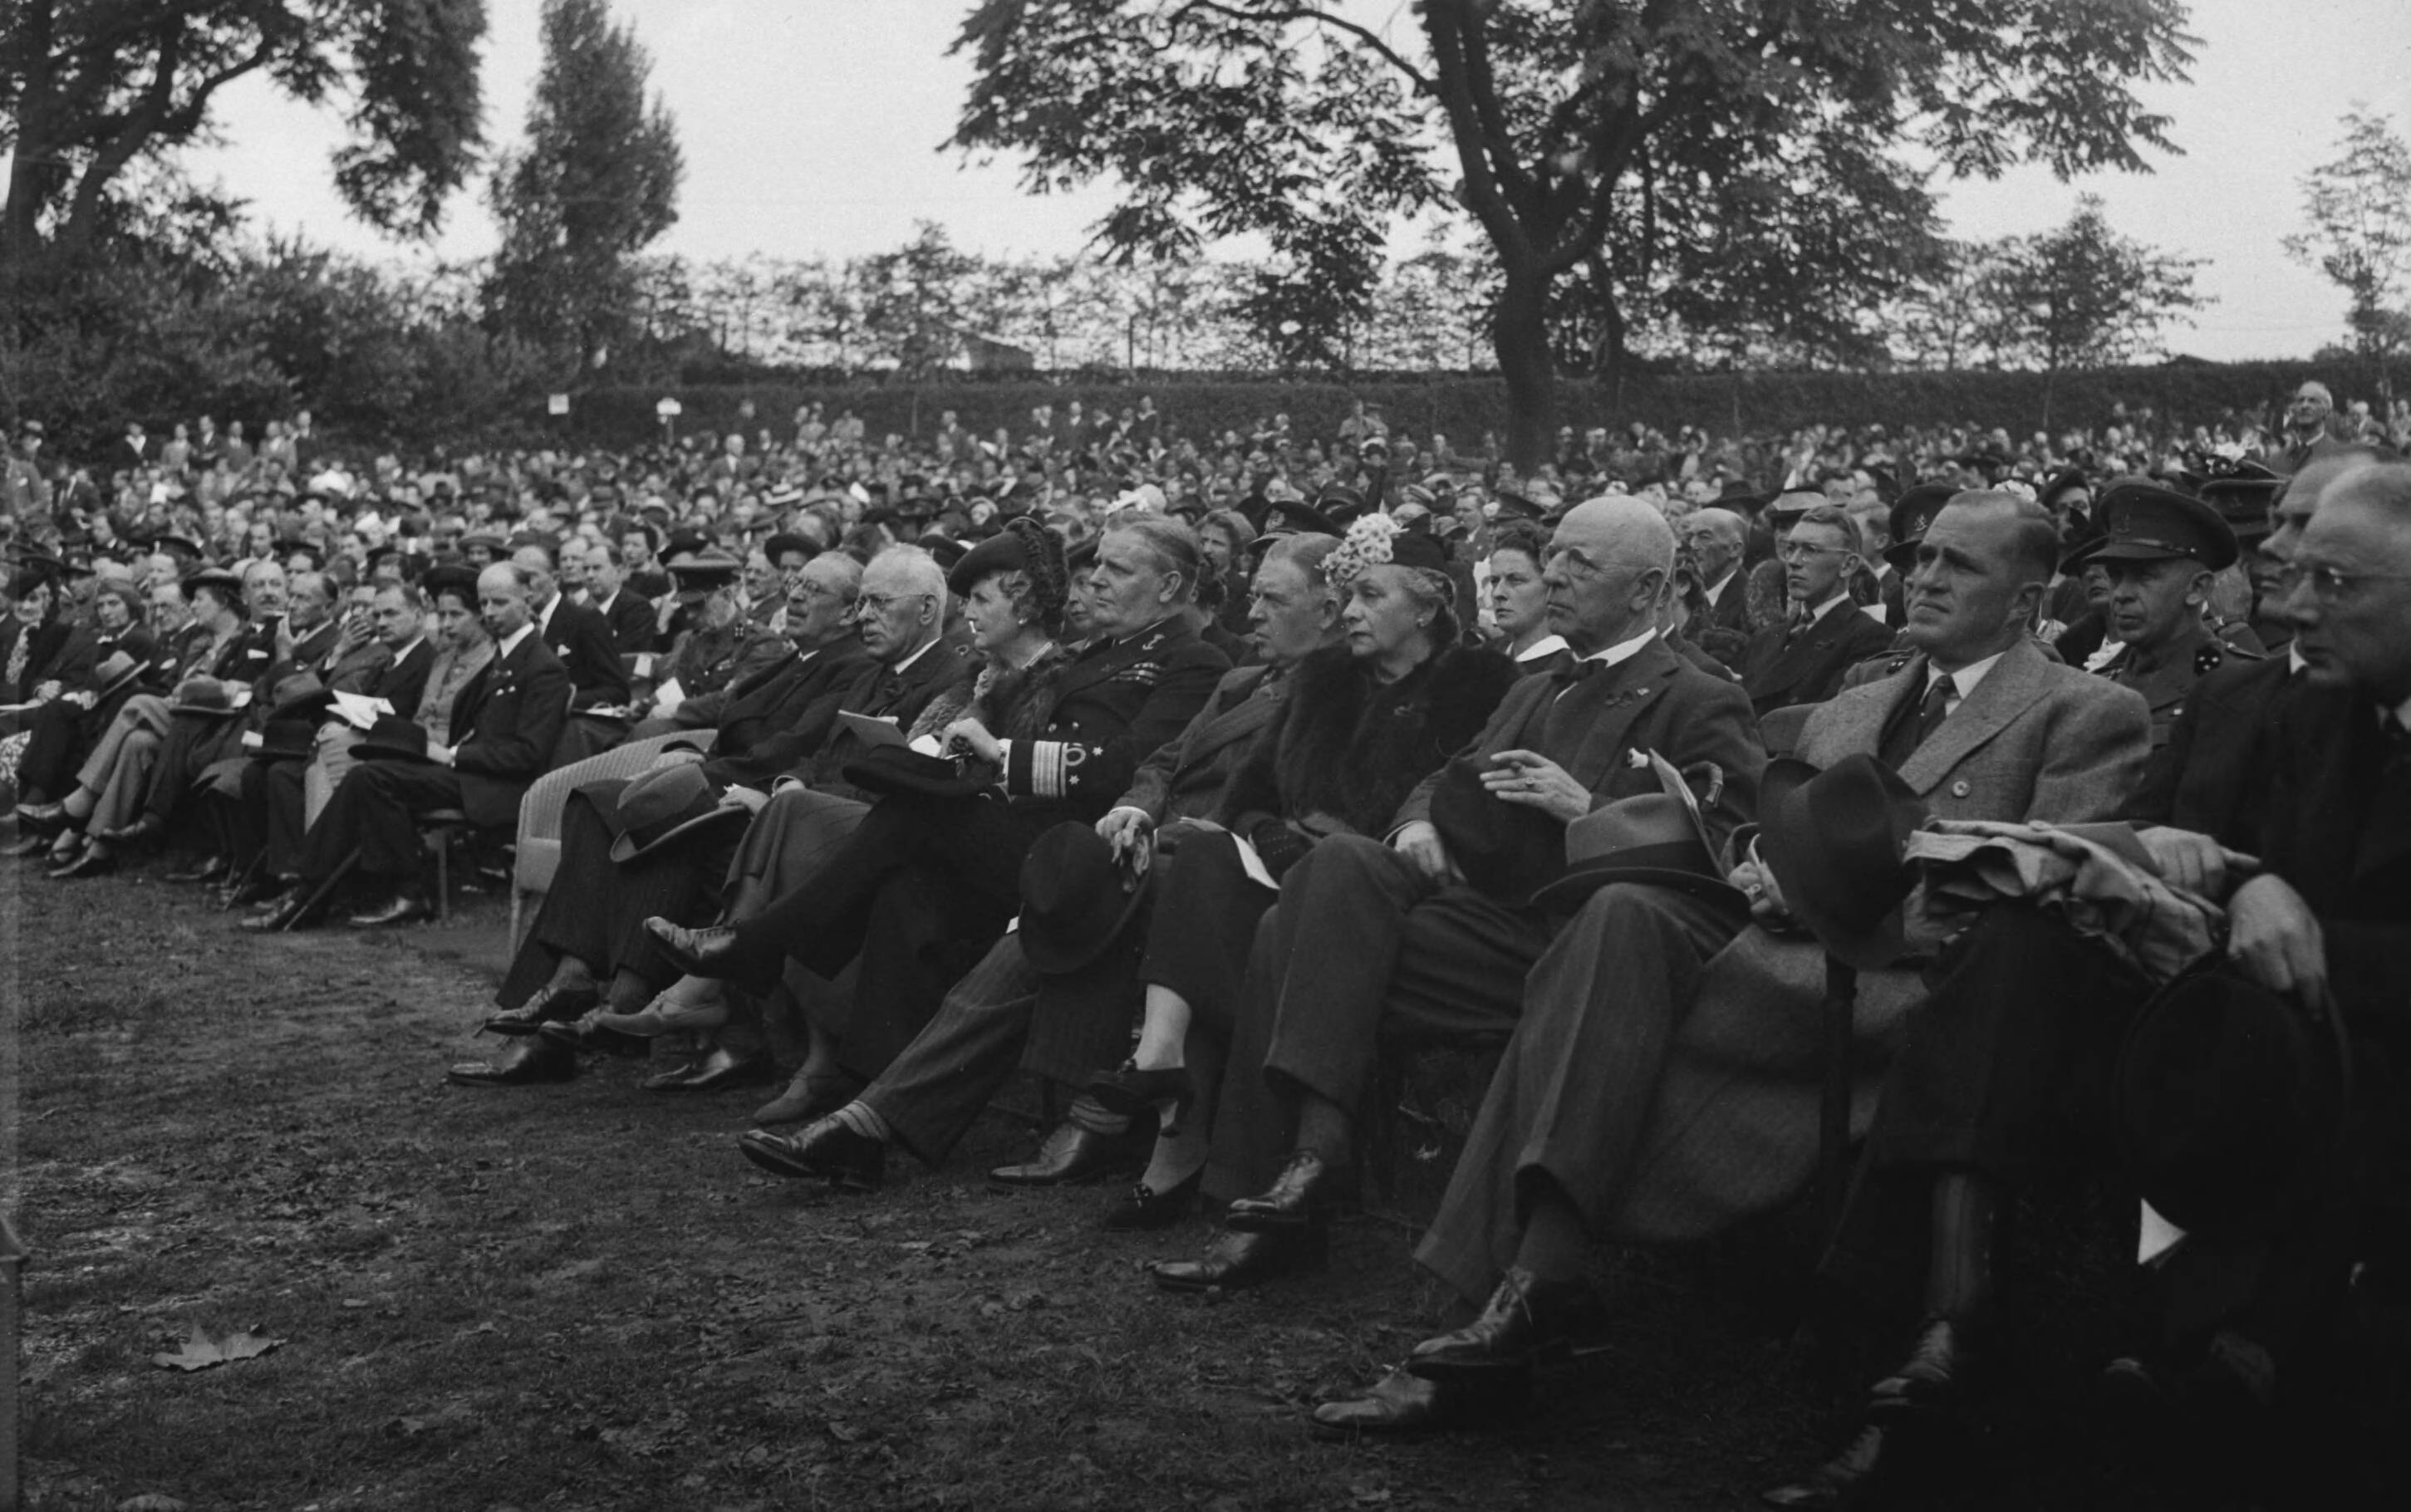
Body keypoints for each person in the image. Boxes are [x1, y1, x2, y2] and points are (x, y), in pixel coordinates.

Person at [1313, 488, 2153, 1436]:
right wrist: (1753, 864)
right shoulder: (1855, 707)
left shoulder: (2086, 710)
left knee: (1591, 969)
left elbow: (2047, 885)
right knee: (1619, 912)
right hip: (1775, 952)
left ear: (2028, 600)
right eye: (1921, 557)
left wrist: (1826, 892)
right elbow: (1764, 833)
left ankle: (1517, 1293)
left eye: (1958, 564)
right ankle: (1528, 1289)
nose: (1924, 578)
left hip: (1906, 988)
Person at [1760, 463, 2411, 1509]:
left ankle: (2158, 1358)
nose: (2292, 594)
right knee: (2020, 935)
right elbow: (2162, 838)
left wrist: (2259, 898)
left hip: (2326, 1029)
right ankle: (1949, 1328)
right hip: (2211, 1000)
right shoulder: (2307, 704)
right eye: (2291, 558)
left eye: (2332, 578)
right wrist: (2239, 880)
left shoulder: (2300, 696)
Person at [1148, 495, 1765, 1294]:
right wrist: (1415, 823)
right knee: (1335, 871)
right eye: (1555, 554)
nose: (1553, 574)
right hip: (1481, 925)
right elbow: (1447, 774)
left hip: (1582, 941)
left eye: (1579, 563)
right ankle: (1313, 1157)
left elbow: (1733, 844)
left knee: (1287, 933)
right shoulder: (1535, 689)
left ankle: (1282, 1191)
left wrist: (1589, 809)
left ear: (1647, 589)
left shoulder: (1699, 694)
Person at [728, 533, 1345, 1176]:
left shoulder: (1238, 669)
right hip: (1113, 843)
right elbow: (1161, 764)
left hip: (1186, 863)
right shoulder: (1237, 679)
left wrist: (1037, 772)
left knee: (948, 845)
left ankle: (781, 973)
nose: (1094, 580)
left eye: (1272, 600)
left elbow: (1258, 795)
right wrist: (1134, 810)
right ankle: (865, 1111)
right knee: (915, 886)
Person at [643, 517, 1229, 1106]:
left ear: (1170, 587)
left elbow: (1126, 765)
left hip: (1081, 851)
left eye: (1116, 569)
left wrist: (1001, 755)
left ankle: (759, 946)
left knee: (913, 817)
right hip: (1025, 832)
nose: (1095, 579)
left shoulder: (1193, 660)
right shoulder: (1097, 651)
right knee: (908, 890)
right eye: (1097, 564)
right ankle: (866, 1095)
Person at [440, 553, 874, 1091]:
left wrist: (698, 771)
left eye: (813, 589)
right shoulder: (798, 658)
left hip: (757, 806)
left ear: (850, 611)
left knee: (633, 818)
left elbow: (789, 749)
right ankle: (582, 990)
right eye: (796, 583)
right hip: (723, 787)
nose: (796, 595)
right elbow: (728, 726)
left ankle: (582, 1007)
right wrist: (683, 753)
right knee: (598, 803)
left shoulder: (849, 663)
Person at [248, 562, 571, 930]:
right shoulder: (504, 655)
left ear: (527, 598)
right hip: (469, 772)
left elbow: (529, 753)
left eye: (500, 602)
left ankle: (367, 891)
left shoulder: (541, 665)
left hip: (496, 786)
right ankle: (321, 890)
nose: (490, 612)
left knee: (373, 778)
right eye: (484, 603)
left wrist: (452, 755)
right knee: (367, 774)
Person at [2081, 479, 2254, 781]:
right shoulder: (2097, 682)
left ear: (2197, 589)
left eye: (2144, 577)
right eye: (2116, 576)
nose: (2121, 594)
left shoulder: (2234, 683)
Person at [1736, 504, 1894, 716]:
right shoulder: (1765, 639)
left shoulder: (1870, 639)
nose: (1793, 561)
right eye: (1791, 548)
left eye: (1810, 550)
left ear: (1848, 565)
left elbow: (1831, 721)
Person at [1483, 521, 1569, 671]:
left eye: (1515, 580)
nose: (1497, 593)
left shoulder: (1568, 668)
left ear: (1551, 586)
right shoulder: (1483, 657)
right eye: (1495, 581)